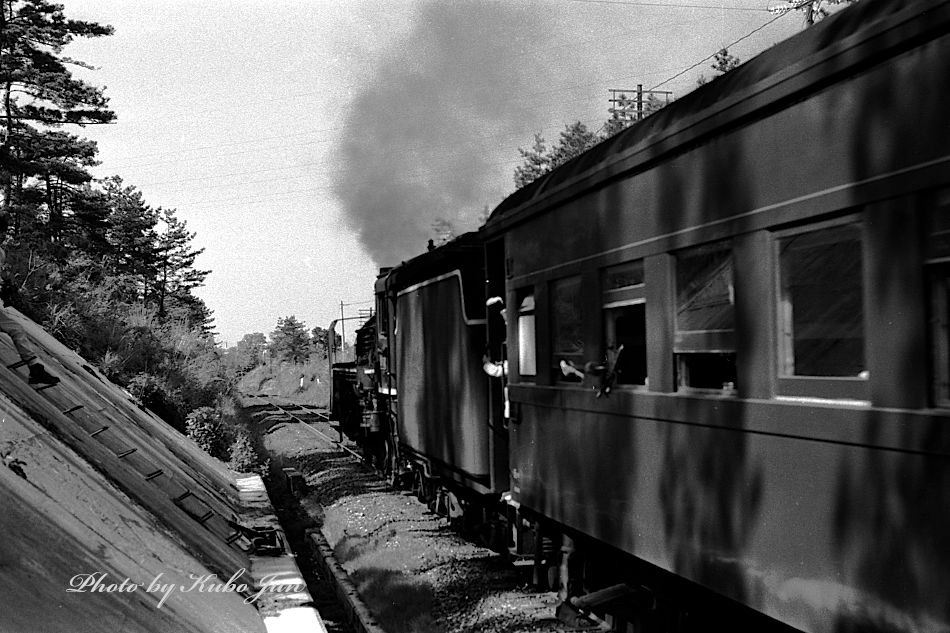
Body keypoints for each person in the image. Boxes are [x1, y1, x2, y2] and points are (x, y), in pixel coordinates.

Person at [0, 214, 59, 386]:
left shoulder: (1, 253)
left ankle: (35, 369)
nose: (3, 236)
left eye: (4, 232)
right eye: (0, 232)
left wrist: (7, 287)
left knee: (16, 329)